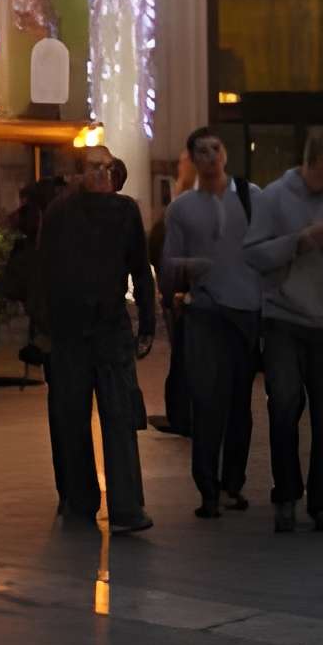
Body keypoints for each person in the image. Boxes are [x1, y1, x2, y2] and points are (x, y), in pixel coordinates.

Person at [243, 128, 323, 534]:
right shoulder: (274, 197)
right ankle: (285, 493)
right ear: (320, 160)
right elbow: (254, 253)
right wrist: (299, 241)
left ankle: (322, 500)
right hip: (284, 317)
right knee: (282, 403)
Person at [31, 142, 157, 533]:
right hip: (70, 331)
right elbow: (43, 272)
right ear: (79, 173)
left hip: (109, 326)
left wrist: (147, 323)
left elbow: (140, 267)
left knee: (118, 416)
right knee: (71, 417)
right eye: (93, 167)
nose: (101, 174)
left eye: (107, 167)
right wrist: (44, 329)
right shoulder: (60, 213)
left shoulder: (124, 212)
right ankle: (79, 498)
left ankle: (125, 506)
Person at [162, 127, 261, 516]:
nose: (209, 156)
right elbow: (168, 264)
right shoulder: (183, 209)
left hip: (245, 310)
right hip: (204, 312)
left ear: (226, 154)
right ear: (192, 159)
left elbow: (270, 250)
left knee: (239, 402)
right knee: (206, 401)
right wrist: (190, 268)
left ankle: (232, 484)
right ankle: (207, 489)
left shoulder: (253, 198)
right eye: (200, 151)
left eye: (215, 148)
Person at [149, 146, 197, 436]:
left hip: (185, 294)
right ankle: (184, 414)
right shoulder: (186, 203)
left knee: (184, 359)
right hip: (184, 294)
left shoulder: (185, 204)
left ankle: (183, 414)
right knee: (184, 358)